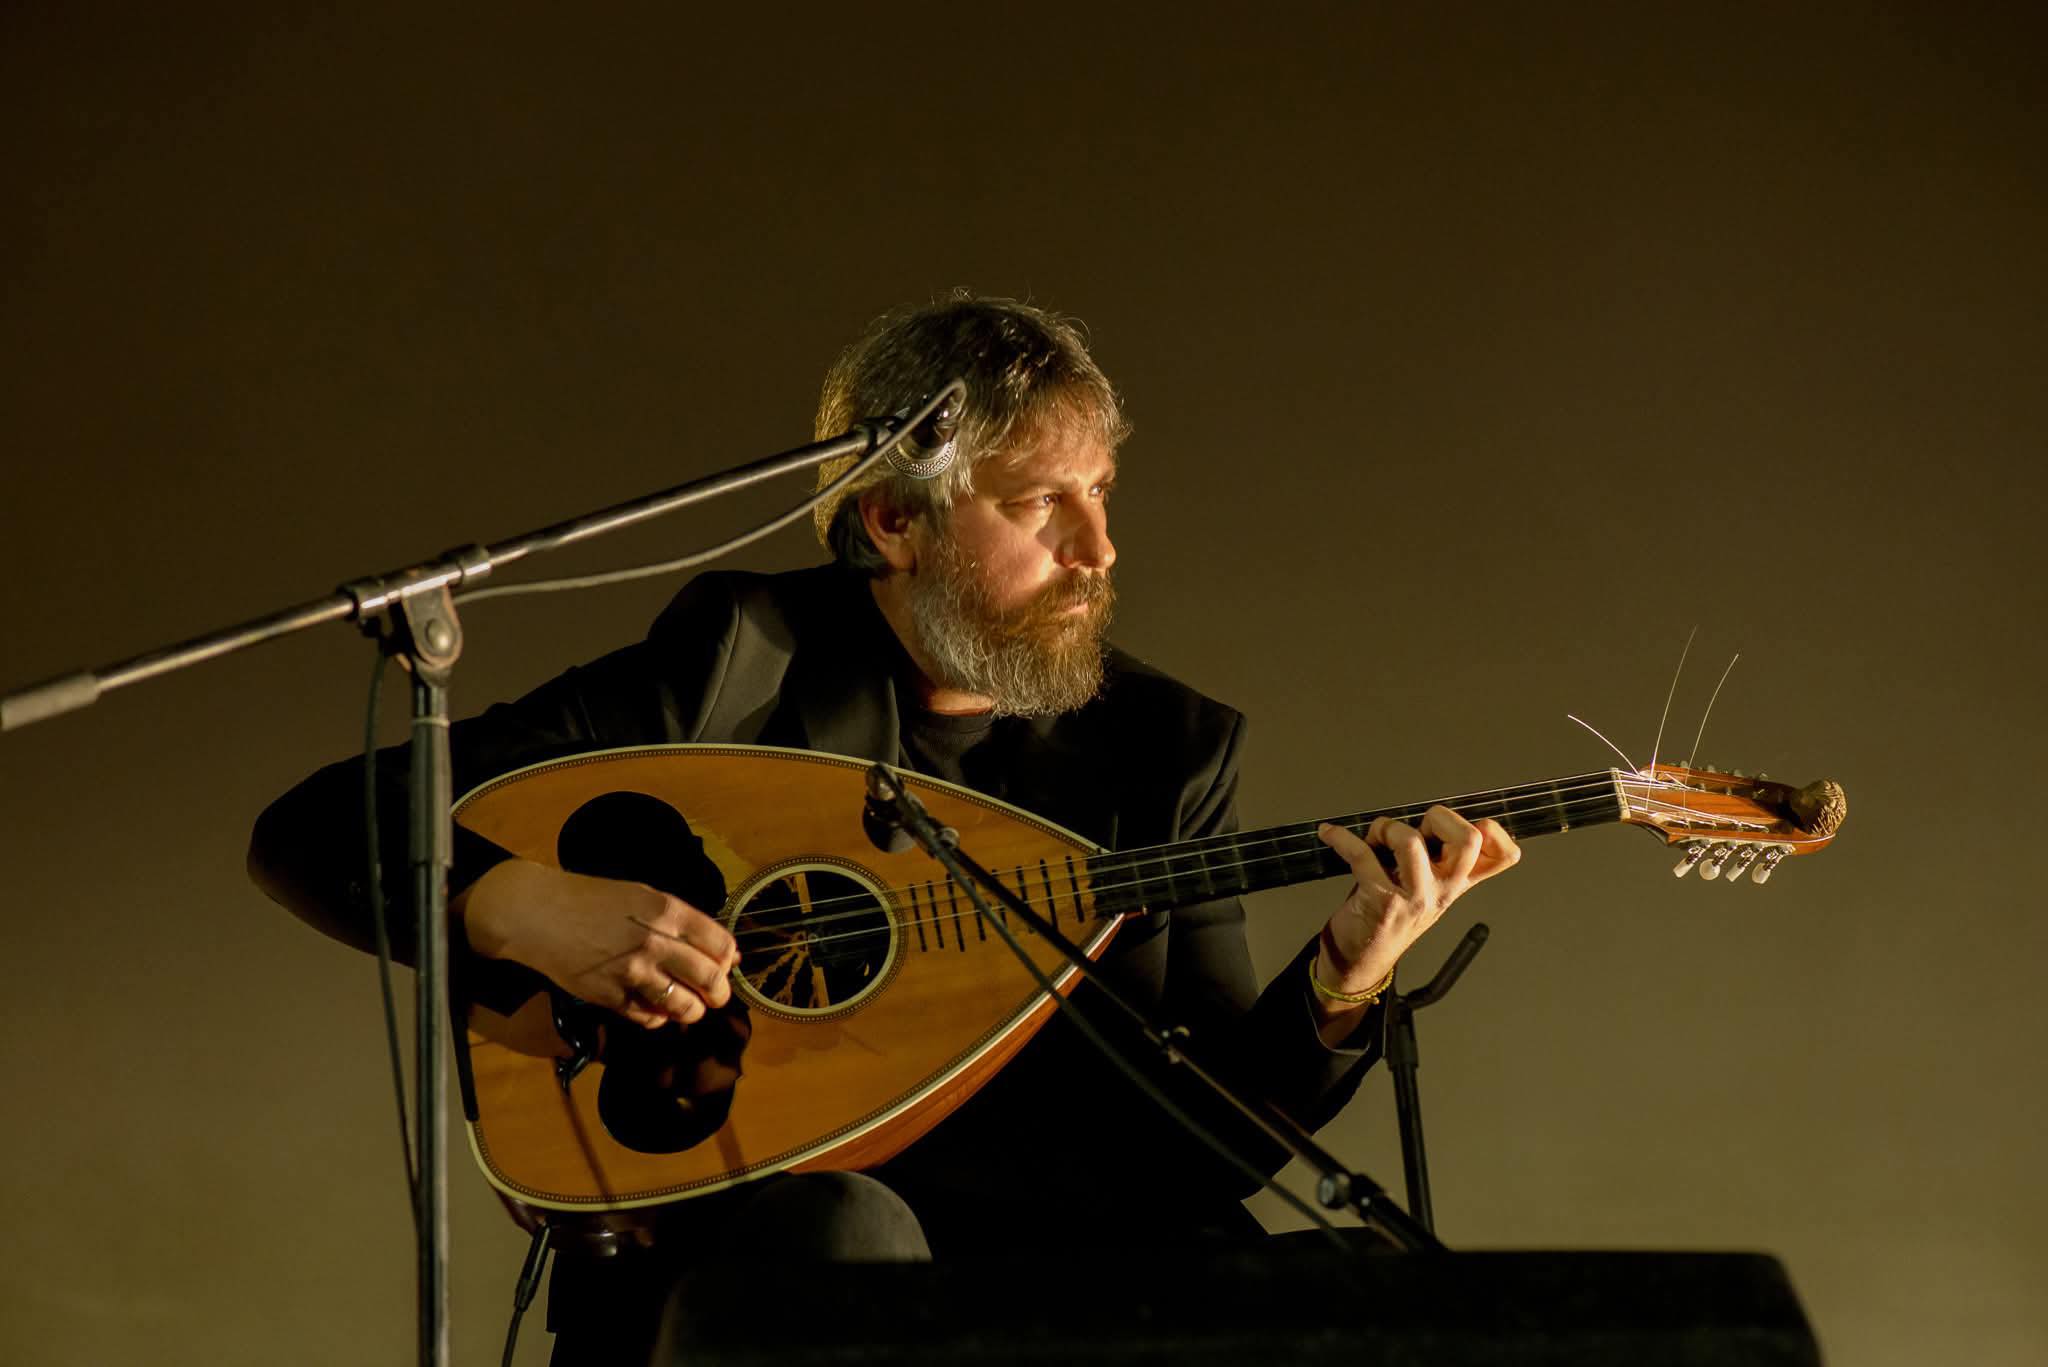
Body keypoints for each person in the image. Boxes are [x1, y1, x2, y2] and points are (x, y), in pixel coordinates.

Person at [248, 294, 1521, 1363]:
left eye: (1099, 492)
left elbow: (1203, 1149)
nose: (1097, 547)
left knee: (1360, 1291)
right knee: (848, 1233)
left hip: (1063, 1268)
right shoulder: (737, 662)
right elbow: (311, 825)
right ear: (891, 520)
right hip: (775, 1247)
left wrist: (1348, 968)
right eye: (1040, 504)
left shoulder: (1161, 745)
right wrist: (518, 903)